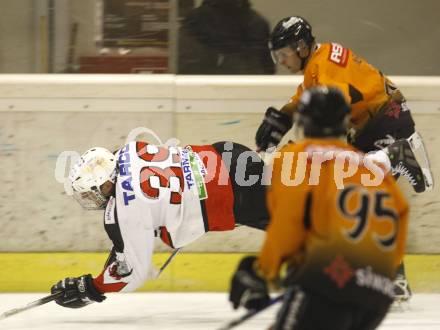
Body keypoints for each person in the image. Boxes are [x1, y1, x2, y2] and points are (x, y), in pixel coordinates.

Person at [254, 16, 433, 300]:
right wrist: (283, 117)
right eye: (277, 56)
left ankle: (396, 156)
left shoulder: (323, 66)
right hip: (382, 122)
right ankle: (394, 279)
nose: (281, 62)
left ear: (301, 47)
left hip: (385, 123)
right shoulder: (320, 61)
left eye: (284, 54)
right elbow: (307, 96)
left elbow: (329, 115)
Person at [229, 87, 409, 330]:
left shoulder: (295, 157)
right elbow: (397, 238)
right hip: (377, 295)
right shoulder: (373, 169)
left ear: (303, 121)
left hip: (329, 281)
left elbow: (287, 224)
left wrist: (263, 271)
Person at [50, 141, 269, 308]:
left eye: (92, 192)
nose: (92, 199)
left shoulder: (124, 211)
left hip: (233, 197)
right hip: (227, 153)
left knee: (294, 221)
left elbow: (133, 275)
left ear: (107, 183)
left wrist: (91, 288)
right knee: (290, 192)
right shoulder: (129, 150)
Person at [177, 0, 275, 74]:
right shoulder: (256, 22)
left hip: (201, 92)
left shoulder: (195, 19)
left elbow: (185, 67)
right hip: (245, 93)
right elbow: (265, 70)